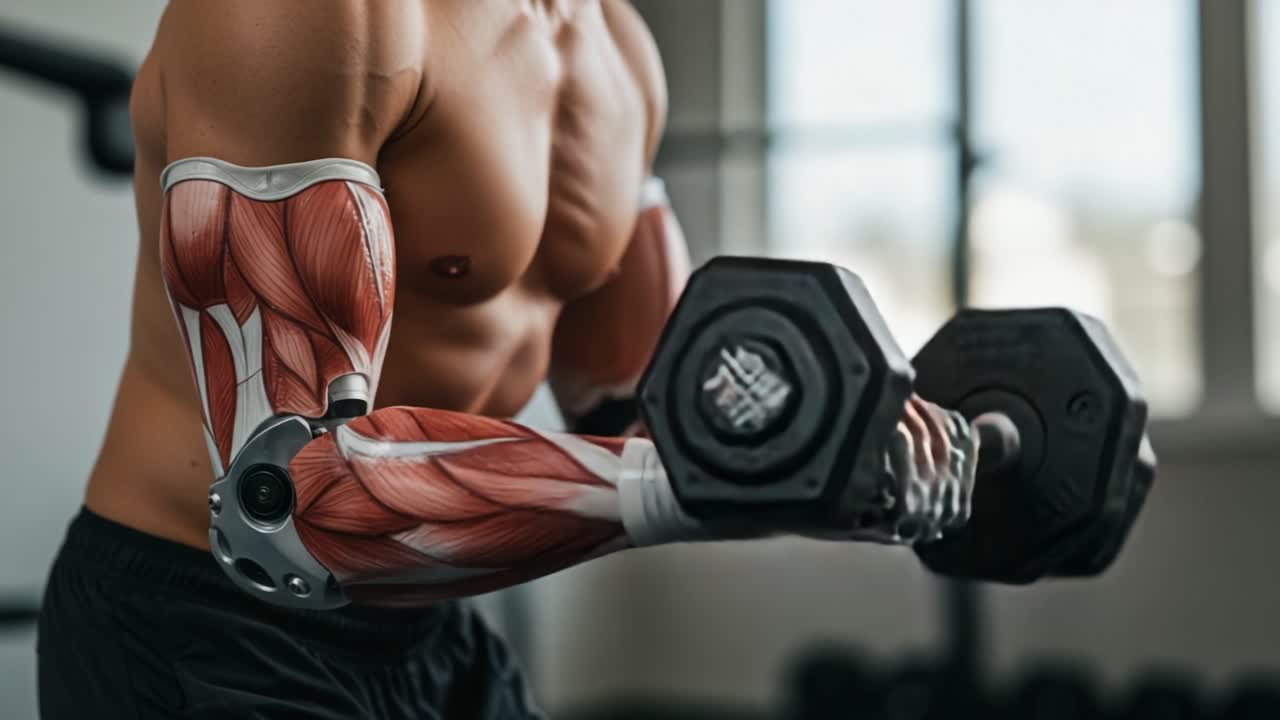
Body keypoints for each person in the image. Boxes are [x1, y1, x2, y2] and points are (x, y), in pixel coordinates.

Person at [37, 1, 971, 717]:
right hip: (205, 623)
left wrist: (830, 457)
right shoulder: (317, 16)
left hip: (430, 619)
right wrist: (706, 480)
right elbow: (287, 498)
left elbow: (655, 420)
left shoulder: (619, 51)